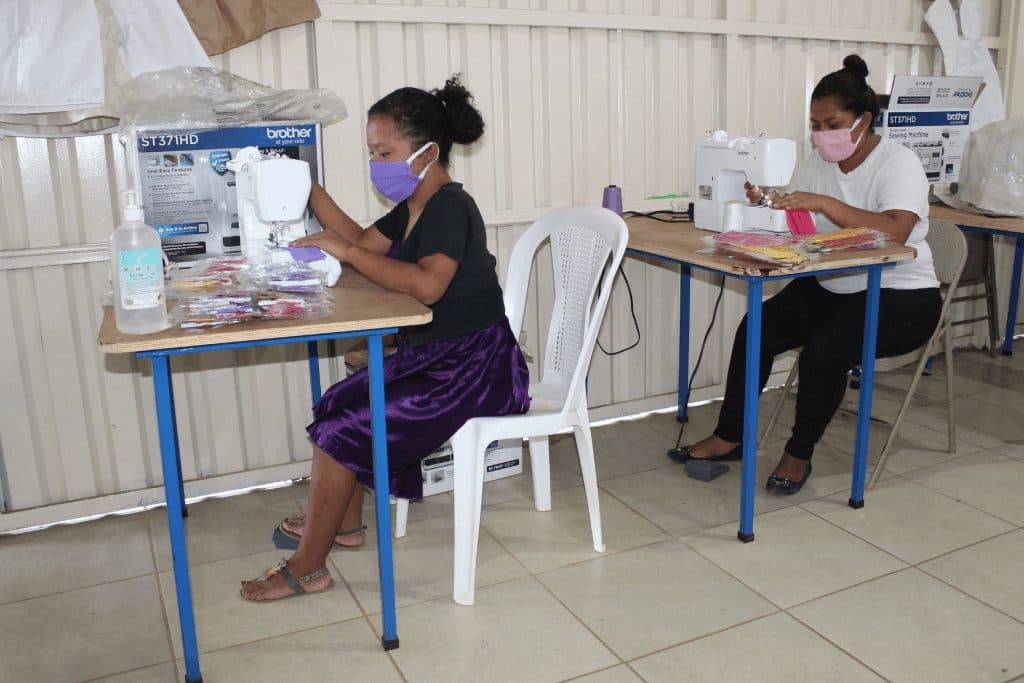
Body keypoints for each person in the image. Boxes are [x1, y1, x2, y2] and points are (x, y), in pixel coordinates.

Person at [241, 76, 531, 600]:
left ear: (426, 152)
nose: (377, 163)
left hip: (474, 368)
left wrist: (349, 255)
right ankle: (344, 525)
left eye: (384, 151)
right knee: (337, 405)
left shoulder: (448, 206)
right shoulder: (415, 203)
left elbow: (427, 284)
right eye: (373, 152)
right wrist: (304, 185)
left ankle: (309, 566)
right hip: (437, 357)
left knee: (350, 422)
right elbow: (357, 241)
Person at [672, 54, 941, 495]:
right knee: (757, 329)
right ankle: (731, 435)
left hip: (901, 293)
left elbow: (897, 230)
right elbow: (805, 227)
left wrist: (823, 204)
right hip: (835, 282)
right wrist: (771, 208)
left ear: (863, 121)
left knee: (824, 352)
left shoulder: (899, 163)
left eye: (831, 124)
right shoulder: (818, 161)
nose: (821, 136)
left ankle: (799, 453)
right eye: (815, 125)